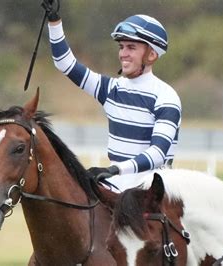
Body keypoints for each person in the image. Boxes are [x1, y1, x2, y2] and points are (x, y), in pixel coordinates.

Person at [41, 1, 181, 190]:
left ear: (151, 55)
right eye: (121, 47)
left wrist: (115, 170)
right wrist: (54, 21)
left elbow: (157, 154)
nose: (123, 53)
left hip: (150, 194)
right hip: (114, 187)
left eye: (131, 47)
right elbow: (65, 64)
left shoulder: (166, 97)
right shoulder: (110, 89)